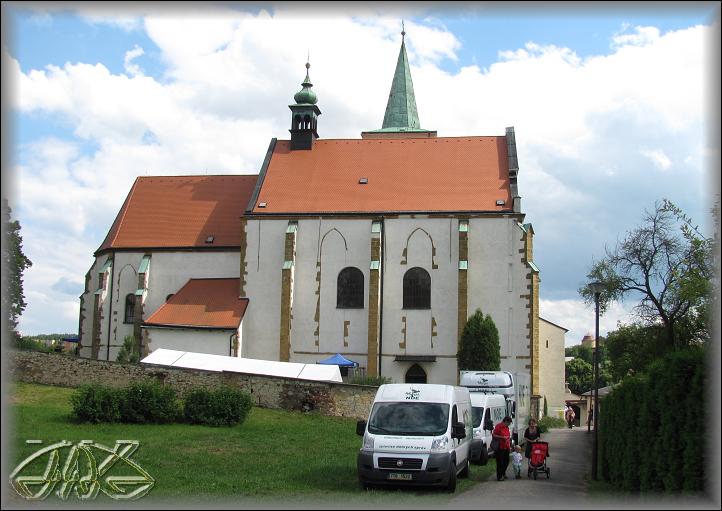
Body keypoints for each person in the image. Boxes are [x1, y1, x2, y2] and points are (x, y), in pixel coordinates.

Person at [492, 416, 513, 481]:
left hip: (506, 446)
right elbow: (494, 435)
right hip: (499, 447)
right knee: (500, 462)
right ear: (506, 421)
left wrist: (509, 446)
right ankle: (499, 476)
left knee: (506, 461)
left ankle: (503, 472)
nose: (509, 424)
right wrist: (502, 437)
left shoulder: (506, 427)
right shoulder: (498, 426)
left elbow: (508, 437)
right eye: (509, 423)